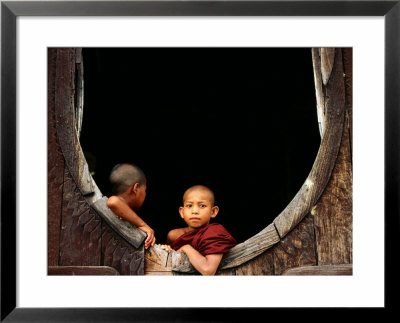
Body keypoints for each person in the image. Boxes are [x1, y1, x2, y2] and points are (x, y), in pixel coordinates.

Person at [163, 185, 237, 275]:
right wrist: (166, 251)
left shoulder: (215, 233)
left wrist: (186, 248)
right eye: (189, 205)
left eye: (202, 206)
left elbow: (208, 269)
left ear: (213, 211)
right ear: (182, 212)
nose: (195, 211)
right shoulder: (174, 235)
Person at [106, 163, 156, 249]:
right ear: (135, 188)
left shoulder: (128, 215)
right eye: (144, 190)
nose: (145, 195)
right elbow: (113, 201)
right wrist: (143, 225)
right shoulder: (114, 201)